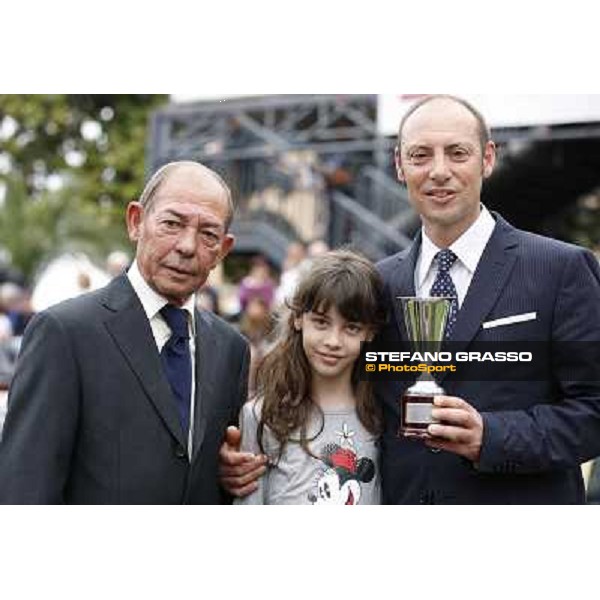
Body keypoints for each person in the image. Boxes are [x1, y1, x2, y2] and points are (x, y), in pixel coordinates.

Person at [220, 95, 600, 504]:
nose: (439, 171)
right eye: (420, 156)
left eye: (457, 153)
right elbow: (333, 400)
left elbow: (593, 411)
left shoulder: (560, 270)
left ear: (487, 159)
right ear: (400, 165)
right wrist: (252, 456)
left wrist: (491, 437)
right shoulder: (379, 283)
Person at [0, 160, 250, 504]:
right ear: (136, 221)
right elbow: (25, 488)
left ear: (222, 249)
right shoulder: (65, 333)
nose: (187, 246)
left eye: (208, 234)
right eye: (172, 224)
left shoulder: (231, 349)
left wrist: (228, 473)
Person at [233, 250, 385, 505]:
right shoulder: (263, 415)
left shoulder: (382, 415)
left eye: (351, 327)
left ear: (370, 333)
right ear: (298, 319)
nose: (333, 341)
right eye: (321, 323)